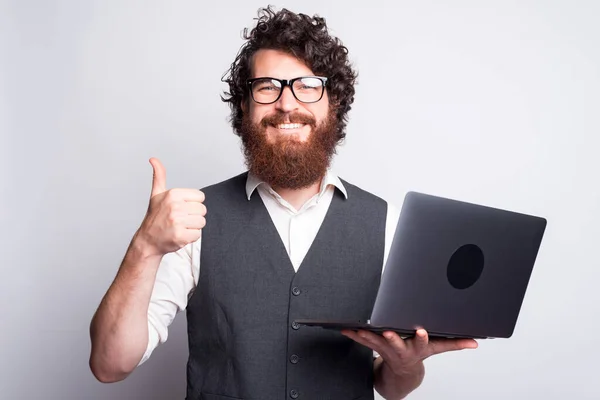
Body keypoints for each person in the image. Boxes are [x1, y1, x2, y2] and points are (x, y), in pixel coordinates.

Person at [89, 6, 478, 399]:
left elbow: (391, 386)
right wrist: (145, 246)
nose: (287, 104)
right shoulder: (192, 221)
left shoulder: (387, 224)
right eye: (267, 87)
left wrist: (407, 365)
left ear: (334, 103)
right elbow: (109, 364)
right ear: (245, 106)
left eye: (307, 85)